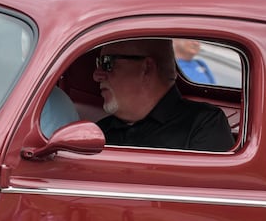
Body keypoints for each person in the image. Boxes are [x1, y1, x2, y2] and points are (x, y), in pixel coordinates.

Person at [92, 38, 233, 152]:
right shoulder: (99, 132)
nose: (96, 75)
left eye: (107, 63)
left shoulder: (203, 124)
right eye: (98, 63)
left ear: (147, 68)